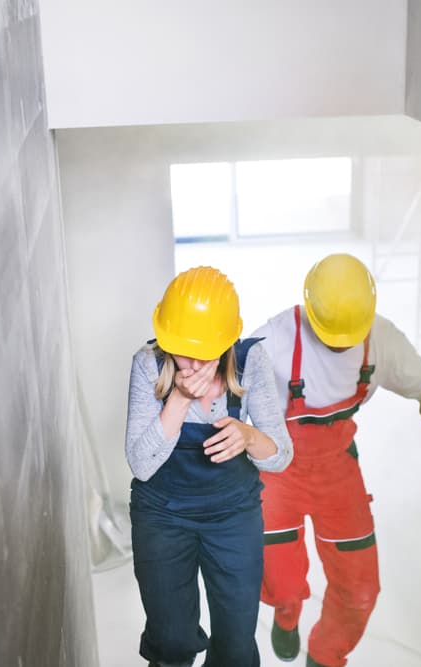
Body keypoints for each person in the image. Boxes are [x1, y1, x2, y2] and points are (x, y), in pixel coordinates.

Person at [252, 253, 421, 667]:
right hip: (277, 465)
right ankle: (286, 612)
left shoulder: (380, 338)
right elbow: (228, 387)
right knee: (282, 580)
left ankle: (325, 655)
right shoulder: (274, 339)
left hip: (337, 469)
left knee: (360, 587)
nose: (341, 343)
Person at [125, 266, 294, 667]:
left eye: (205, 354)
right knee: (171, 641)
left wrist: (249, 437)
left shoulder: (250, 361)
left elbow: (281, 455)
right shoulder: (149, 364)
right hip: (162, 516)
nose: (193, 365)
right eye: (183, 350)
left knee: (236, 647)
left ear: (225, 341)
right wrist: (179, 400)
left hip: (233, 515)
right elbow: (141, 464)